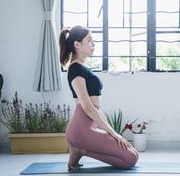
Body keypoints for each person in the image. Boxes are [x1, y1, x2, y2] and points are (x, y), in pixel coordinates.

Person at [59, 26, 139, 171]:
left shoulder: (83, 67)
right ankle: (81, 150)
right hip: (80, 130)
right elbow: (88, 107)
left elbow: (96, 109)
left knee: (133, 153)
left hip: (87, 128)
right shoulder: (75, 69)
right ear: (77, 44)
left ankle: (80, 150)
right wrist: (114, 134)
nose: (93, 44)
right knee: (130, 159)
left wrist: (112, 132)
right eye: (89, 41)